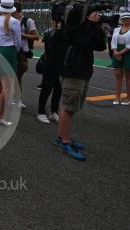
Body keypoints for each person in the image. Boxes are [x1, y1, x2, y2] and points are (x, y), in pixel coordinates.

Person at [56, 11, 106, 160]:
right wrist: (90, 25)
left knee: (67, 106)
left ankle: (61, 137)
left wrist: (96, 27)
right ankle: (64, 142)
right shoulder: (72, 29)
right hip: (73, 73)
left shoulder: (84, 29)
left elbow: (100, 46)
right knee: (69, 108)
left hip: (81, 72)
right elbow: (83, 44)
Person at [0, 0, 21, 126]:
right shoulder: (14, 22)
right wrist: (15, 52)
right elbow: (18, 42)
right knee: (6, 87)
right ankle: (0, 116)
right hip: (8, 51)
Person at [13, 2, 39, 109]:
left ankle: (17, 99)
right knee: (16, 77)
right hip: (13, 51)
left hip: (23, 53)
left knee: (17, 74)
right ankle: (16, 99)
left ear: (15, 10)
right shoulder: (13, 21)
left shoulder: (28, 21)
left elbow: (36, 37)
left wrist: (22, 35)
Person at [37, 20, 62, 124]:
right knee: (46, 89)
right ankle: (41, 113)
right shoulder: (50, 33)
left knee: (58, 89)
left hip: (59, 65)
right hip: (50, 64)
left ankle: (53, 112)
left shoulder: (64, 33)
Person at [111, 13, 130, 105]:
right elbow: (113, 42)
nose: (126, 20)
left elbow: (129, 45)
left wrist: (120, 53)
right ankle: (117, 97)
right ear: (121, 20)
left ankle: (128, 97)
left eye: (128, 18)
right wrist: (115, 52)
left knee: (128, 76)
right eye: (124, 18)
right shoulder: (116, 29)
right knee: (118, 75)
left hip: (128, 53)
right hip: (117, 51)